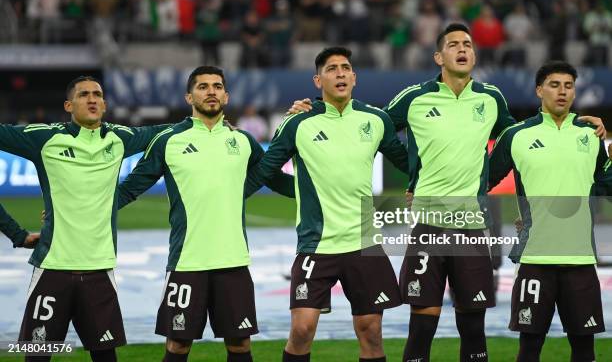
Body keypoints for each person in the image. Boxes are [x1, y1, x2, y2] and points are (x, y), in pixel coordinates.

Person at [287, 24, 606, 362]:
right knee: (422, 327)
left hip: (471, 230)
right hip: (428, 228)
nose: (462, 49)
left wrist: (577, 131)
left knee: (473, 328)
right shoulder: (414, 98)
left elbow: (519, 141)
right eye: (453, 44)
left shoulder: (491, 98)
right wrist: (318, 113)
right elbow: (369, 125)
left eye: (467, 44)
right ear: (440, 56)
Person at [117, 66, 295, 362]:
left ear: (226, 96)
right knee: (178, 346)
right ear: (189, 96)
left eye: (217, 86)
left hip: (234, 261)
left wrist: (325, 189)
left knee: (240, 345)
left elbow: (279, 182)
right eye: (202, 86)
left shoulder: (244, 141)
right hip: (187, 261)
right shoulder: (168, 141)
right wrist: (72, 212)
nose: (210, 91)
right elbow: (129, 189)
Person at [251, 47, 411, 362]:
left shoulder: (375, 120)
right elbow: (265, 172)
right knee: (302, 329)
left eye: (345, 67)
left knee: (372, 333)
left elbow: (407, 162)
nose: (339, 73)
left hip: (364, 242)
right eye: (331, 68)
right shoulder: (298, 123)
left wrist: (419, 185)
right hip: (317, 243)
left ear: (354, 77)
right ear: (317, 79)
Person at [0, 76, 169, 362]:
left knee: (105, 357)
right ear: (69, 105)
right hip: (52, 268)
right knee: (37, 356)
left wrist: (202, 126)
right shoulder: (44, 138)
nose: (92, 99)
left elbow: (163, 131)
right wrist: (16, 233)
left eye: (97, 94)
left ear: (104, 104)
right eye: (83, 94)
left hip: (99, 270)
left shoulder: (118, 138)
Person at [489, 61, 611, 362]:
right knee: (529, 348)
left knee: (584, 350)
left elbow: (605, 188)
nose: (562, 91)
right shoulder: (516, 135)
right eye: (555, 85)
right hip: (535, 259)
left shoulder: (591, 136)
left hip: (580, 259)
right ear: (539, 90)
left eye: (568, 86)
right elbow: (483, 181)